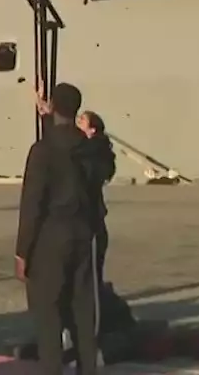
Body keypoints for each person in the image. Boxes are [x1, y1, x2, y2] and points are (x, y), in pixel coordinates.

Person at [15, 82, 101, 375]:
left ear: (53, 106)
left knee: (48, 314)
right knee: (82, 312)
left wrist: (22, 250)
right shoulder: (89, 149)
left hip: (50, 237)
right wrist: (47, 114)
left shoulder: (42, 150)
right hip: (82, 234)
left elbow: (32, 203)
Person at [77, 111, 115, 286]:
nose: (78, 121)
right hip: (92, 214)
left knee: (90, 268)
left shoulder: (91, 151)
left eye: (82, 120)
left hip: (89, 215)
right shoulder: (95, 149)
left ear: (92, 129)